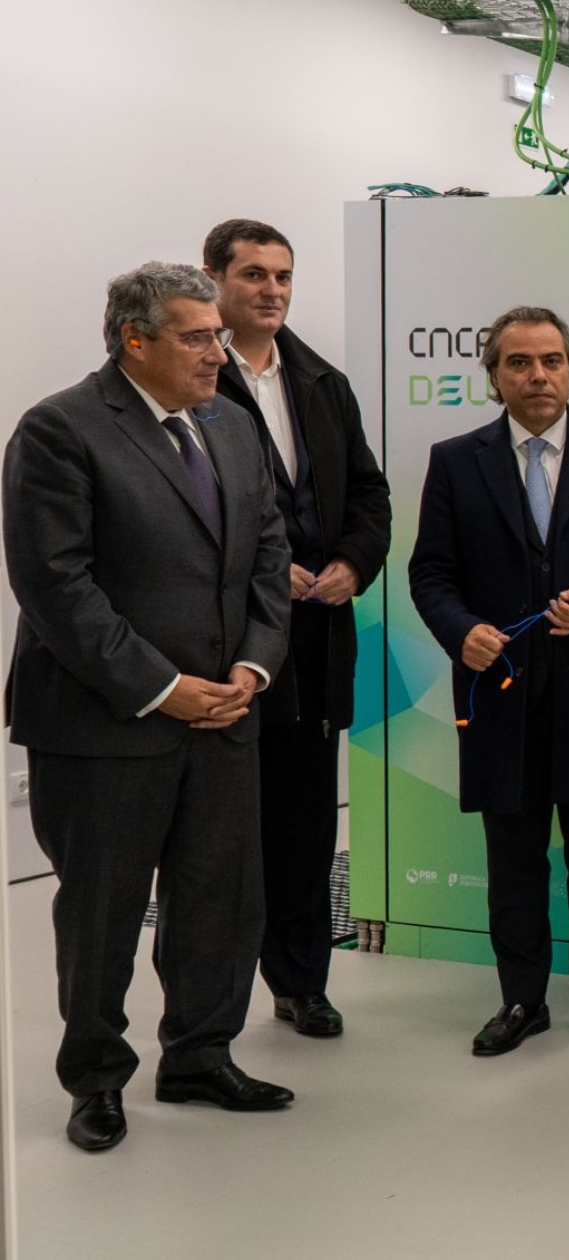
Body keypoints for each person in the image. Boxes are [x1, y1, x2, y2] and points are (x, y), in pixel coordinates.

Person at [4, 261, 293, 1151]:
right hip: (107, 726)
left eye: (218, 335)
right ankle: (95, 1078)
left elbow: (269, 561)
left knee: (222, 899)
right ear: (136, 340)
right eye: (199, 337)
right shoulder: (61, 430)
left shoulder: (233, 430)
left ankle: (201, 1054)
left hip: (225, 715)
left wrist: (252, 669)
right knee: (102, 911)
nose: (221, 351)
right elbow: (58, 588)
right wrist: (165, 690)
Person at [407, 306, 569, 1058]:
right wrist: (462, 632)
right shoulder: (455, 460)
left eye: (551, 360)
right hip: (499, 692)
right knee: (512, 859)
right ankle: (521, 1000)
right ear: (493, 376)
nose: (538, 375)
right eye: (519, 362)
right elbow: (431, 573)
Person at [205, 218, 392, 1041]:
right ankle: (207, 1012)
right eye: (253, 275)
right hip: (225, 649)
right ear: (214, 279)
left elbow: (369, 495)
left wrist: (355, 561)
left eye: (283, 275)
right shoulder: (194, 380)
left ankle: (301, 983)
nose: (272, 290)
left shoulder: (322, 383)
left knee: (306, 831)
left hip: (313, 646)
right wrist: (259, 566)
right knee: (217, 843)